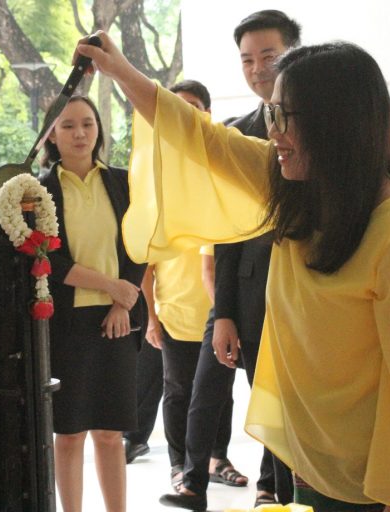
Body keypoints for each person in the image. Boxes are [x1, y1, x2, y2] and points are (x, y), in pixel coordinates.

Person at [79, 33, 390, 511]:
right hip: (317, 459)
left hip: (388, 483)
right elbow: (204, 139)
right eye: (271, 114)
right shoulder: (297, 185)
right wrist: (121, 71)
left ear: (337, 123)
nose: (273, 131)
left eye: (285, 117)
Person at [163, 11, 300, 510]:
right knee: (206, 389)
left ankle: (276, 489)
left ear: (296, 54)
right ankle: (192, 480)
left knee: (280, 399)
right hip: (239, 286)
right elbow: (225, 233)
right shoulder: (237, 133)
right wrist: (222, 309)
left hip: (298, 290)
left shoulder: (323, 128)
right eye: (247, 59)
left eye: (270, 55)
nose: (259, 68)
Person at [123, 81, 238, 483]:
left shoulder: (222, 169)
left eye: (194, 108)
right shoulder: (156, 181)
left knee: (220, 391)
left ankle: (216, 459)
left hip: (221, 309)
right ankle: (179, 465)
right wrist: (151, 317)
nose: (186, 115)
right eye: (179, 108)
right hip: (174, 311)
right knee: (177, 390)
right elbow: (147, 266)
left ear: (206, 115)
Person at [39, 95, 146, 512]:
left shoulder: (122, 181)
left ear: (99, 128)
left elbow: (140, 245)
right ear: (52, 133)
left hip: (115, 320)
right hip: (65, 322)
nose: (79, 133)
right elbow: (45, 258)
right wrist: (110, 285)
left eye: (87, 123)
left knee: (109, 433)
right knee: (68, 434)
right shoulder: (40, 190)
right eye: (68, 125)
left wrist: (123, 301)